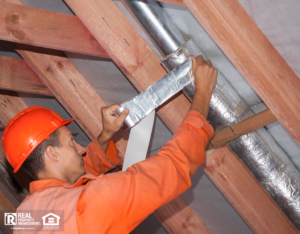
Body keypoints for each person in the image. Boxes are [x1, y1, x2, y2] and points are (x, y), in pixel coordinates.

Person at [2, 55, 217, 233]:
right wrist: (203, 94)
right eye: (71, 142)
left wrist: (106, 136)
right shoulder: (95, 204)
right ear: (52, 154)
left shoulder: (25, 217)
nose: (80, 149)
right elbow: (171, 168)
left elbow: (75, 188)